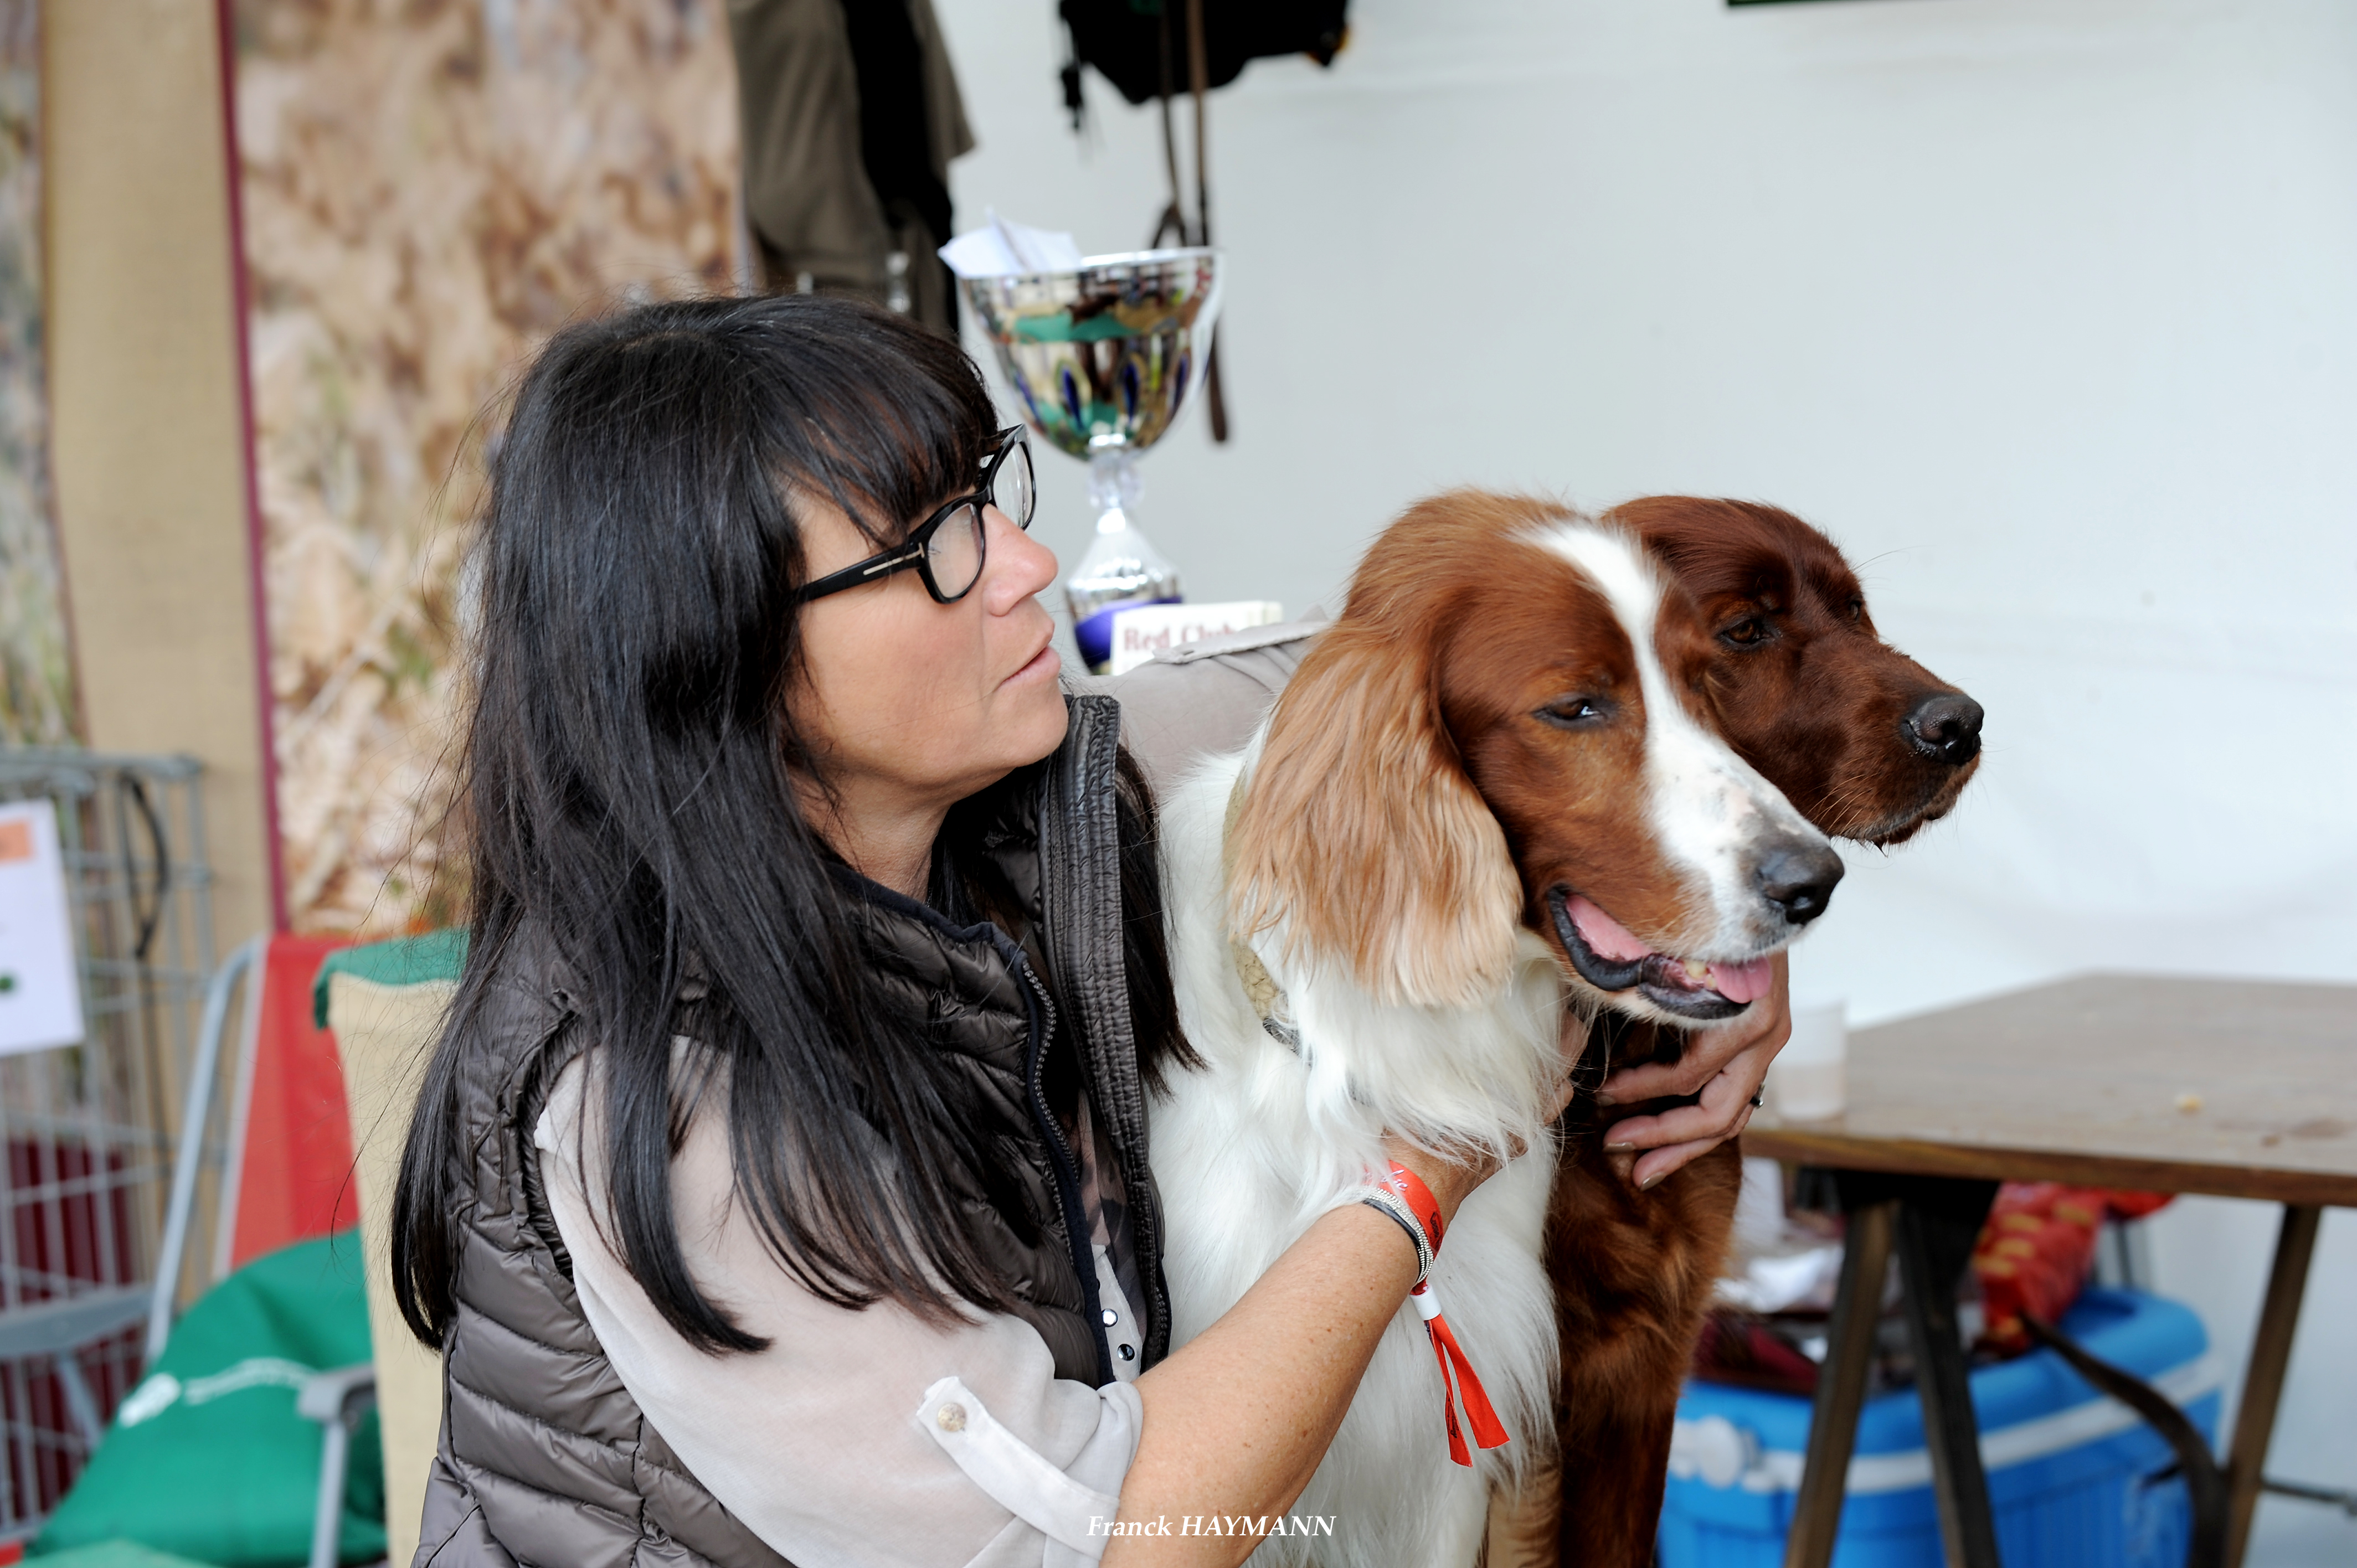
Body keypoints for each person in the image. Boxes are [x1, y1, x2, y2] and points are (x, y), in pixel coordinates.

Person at [390, 293, 1789, 1568]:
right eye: (934, 545)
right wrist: (1420, 1183)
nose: (1025, 566)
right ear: (716, 650)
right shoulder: (671, 1103)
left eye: (991, 495)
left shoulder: (1034, 788)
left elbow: (1462, 691)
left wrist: (1721, 928)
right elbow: (1103, 1542)